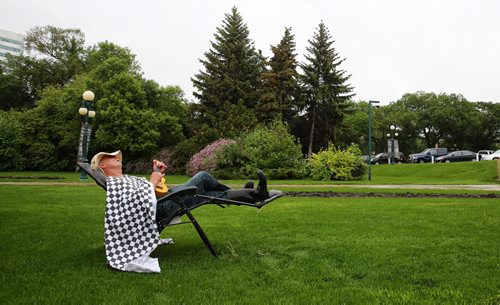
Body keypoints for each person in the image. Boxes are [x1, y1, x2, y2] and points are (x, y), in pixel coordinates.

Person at [90, 150, 276, 273]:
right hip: (163, 207)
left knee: (211, 192)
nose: (116, 157)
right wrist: (153, 181)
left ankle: (254, 194)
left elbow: (147, 192)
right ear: (103, 166)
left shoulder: (125, 179)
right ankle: (251, 193)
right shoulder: (115, 184)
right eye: (110, 157)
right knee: (203, 177)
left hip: (163, 200)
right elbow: (131, 204)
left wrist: (156, 174)